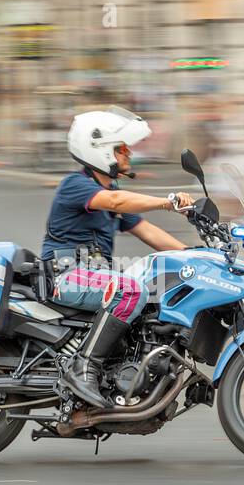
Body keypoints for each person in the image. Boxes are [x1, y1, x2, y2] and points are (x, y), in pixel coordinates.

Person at [42, 106, 194, 407]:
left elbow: (148, 232)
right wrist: (167, 202)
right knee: (129, 289)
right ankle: (84, 367)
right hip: (66, 275)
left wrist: (195, 255)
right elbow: (115, 200)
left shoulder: (112, 193)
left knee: (155, 293)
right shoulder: (77, 186)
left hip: (91, 275)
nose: (129, 155)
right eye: (122, 149)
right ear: (100, 151)